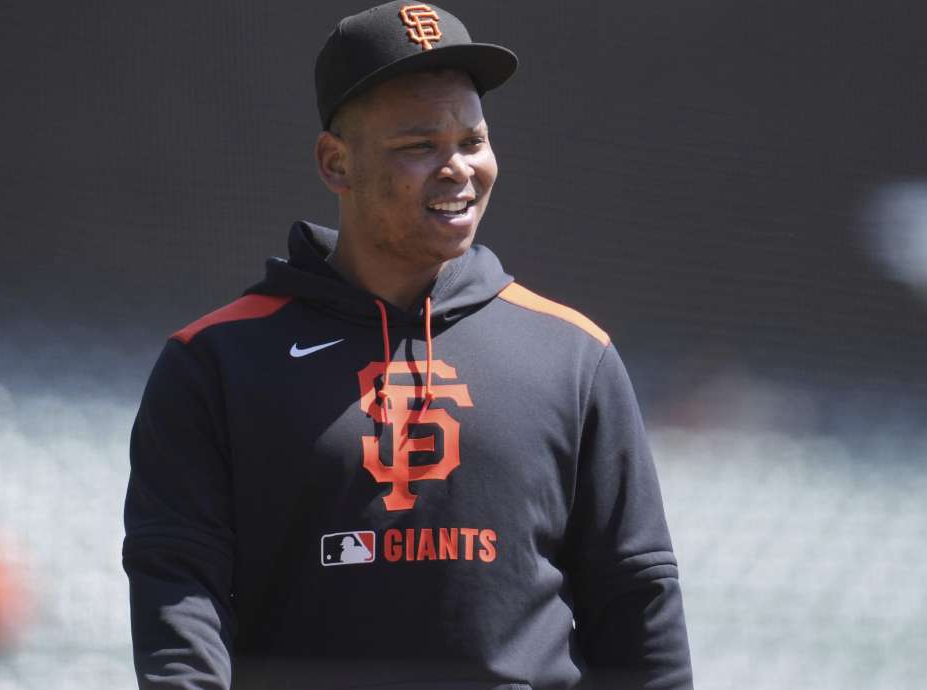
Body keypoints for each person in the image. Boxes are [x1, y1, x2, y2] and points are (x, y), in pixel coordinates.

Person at [122, 2, 693, 688]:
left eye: (472, 141)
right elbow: (180, 595)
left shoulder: (573, 356)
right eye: (419, 145)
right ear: (336, 162)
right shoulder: (217, 361)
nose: (457, 169)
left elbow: (637, 603)